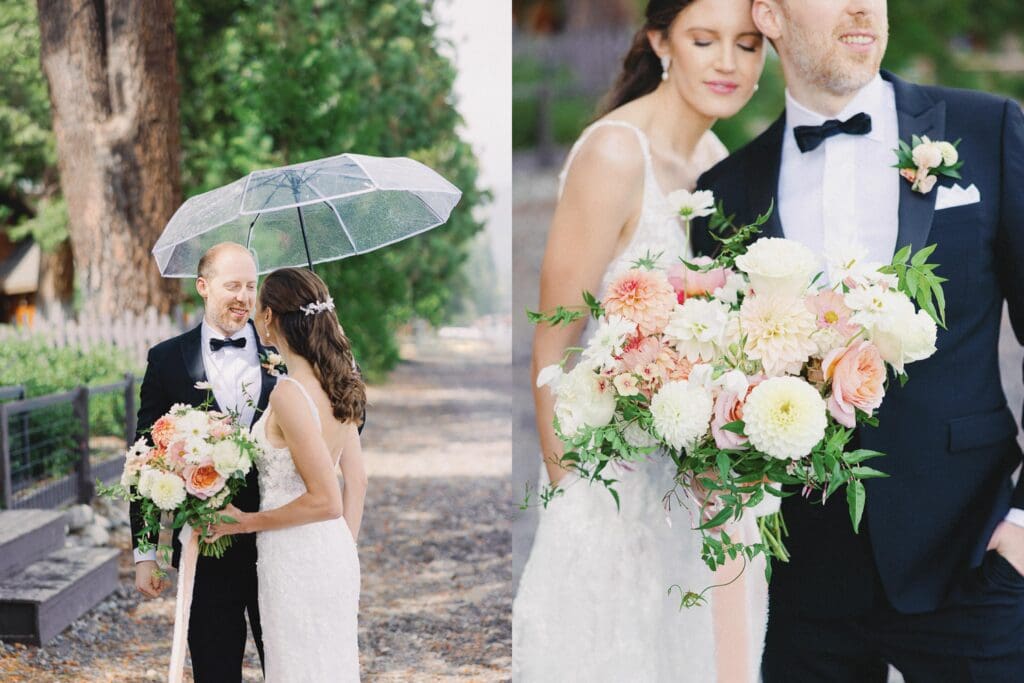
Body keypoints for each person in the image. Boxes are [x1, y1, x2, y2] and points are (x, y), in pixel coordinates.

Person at [693, 1, 1024, 679]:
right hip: (803, 589)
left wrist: (1023, 527)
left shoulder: (986, 129)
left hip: (975, 559)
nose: (862, 7)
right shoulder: (725, 195)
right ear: (770, 15)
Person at [512, 1, 769, 680]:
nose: (727, 62)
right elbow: (552, 342)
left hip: (694, 490)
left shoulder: (720, 162)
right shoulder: (614, 152)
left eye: (746, 46)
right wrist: (574, 502)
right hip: (612, 487)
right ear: (661, 41)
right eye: (704, 40)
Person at [205, 267, 368, 681]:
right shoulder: (340, 381)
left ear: (270, 316)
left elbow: (325, 498)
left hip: (295, 554)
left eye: (259, 305)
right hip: (331, 551)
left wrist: (244, 523)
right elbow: (357, 479)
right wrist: (340, 548)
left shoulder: (290, 394)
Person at [131, 242, 276, 682]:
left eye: (251, 286)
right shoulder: (167, 360)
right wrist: (145, 552)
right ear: (203, 287)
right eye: (233, 285)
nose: (244, 297)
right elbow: (144, 457)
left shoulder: (284, 352)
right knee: (214, 670)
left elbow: (338, 423)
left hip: (279, 538)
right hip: (206, 544)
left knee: (290, 666)